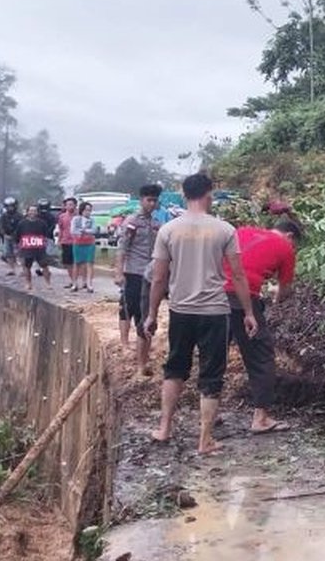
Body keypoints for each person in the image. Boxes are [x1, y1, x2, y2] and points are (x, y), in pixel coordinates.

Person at [145, 173, 256, 455]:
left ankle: (164, 428)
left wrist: (151, 314)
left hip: (180, 310)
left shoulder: (168, 230)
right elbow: (238, 275)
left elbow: (158, 278)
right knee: (211, 374)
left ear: (184, 195)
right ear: (210, 195)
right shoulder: (224, 229)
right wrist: (248, 312)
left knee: (174, 367)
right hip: (214, 311)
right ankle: (205, 440)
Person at [222, 217, 301, 433]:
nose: (293, 248)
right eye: (294, 244)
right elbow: (285, 289)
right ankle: (261, 418)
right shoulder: (285, 247)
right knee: (261, 355)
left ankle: (210, 412)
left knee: (215, 353)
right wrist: (276, 300)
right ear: (290, 236)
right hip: (243, 298)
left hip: (213, 294)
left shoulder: (243, 231)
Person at [114, 184, 164, 372]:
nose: (152, 203)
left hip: (150, 274)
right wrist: (119, 272)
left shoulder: (156, 223)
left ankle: (142, 355)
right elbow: (122, 248)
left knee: (147, 312)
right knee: (128, 307)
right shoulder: (132, 222)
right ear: (141, 200)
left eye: (154, 200)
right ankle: (125, 343)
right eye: (149, 200)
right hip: (133, 271)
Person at [15, 204, 54, 291]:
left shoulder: (42, 223)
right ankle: (28, 283)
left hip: (40, 248)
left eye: (34, 211)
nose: (32, 212)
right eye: (31, 211)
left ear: (37, 212)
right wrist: (18, 247)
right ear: (27, 212)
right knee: (27, 267)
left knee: (45, 266)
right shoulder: (22, 223)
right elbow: (18, 236)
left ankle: (48, 283)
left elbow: (46, 235)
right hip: (27, 248)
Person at [70, 201, 97, 291]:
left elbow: (94, 230)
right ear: (82, 210)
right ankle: (74, 283)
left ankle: (89, 284)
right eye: (86, 210)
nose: (88, 212)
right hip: (78, 243)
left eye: (89, 210)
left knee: (89, 263)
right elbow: (73, 230)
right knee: (77, 263)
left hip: (89, 243)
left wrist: (85, 231)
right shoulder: (76, 219)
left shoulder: (92, 220)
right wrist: (83, 231)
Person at [56, 197, 78, 289]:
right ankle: (72, 281)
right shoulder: (62, 216)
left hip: (77, 242)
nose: (69, 206)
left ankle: (78, 281)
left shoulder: (79, 216)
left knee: (77, 262)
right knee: (68, 263)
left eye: (71, 204)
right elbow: (61, 229)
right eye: (67, 205)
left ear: (75, 205)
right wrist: (59, 240)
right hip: (66, 241)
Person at [0, 198, 21, 276]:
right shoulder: (3, 216)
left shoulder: (19, 216)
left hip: (18, 237)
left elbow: (21, 226)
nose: (10, 208)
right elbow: (1, 226)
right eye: (8, 206)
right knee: (8, 254)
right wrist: (4, 234)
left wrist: (16, 235)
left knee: (19, 253)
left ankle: (22, 270)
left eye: (12, 206)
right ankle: (12, 269)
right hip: (7, 237)